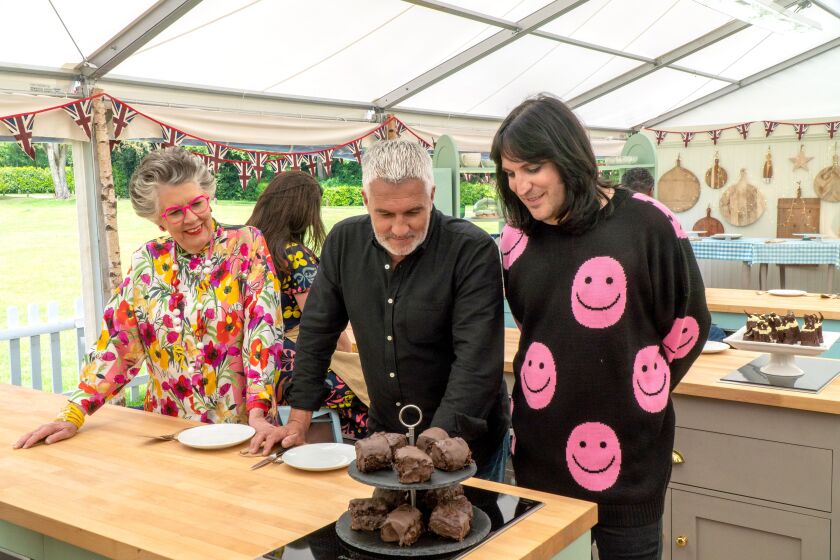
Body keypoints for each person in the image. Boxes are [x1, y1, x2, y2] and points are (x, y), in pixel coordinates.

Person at [493, 95, 709, 560]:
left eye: (532, 168)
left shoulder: (649, 223)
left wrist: (638, 393)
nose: (521, 186)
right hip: (539, 456)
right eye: (510, 173)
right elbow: (537, 327)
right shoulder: (514, 237)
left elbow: (688, 326)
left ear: (568, 156)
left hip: (630, 464)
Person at [265, 139, 510, 482]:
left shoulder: (470, 249)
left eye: (413, 212)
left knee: (472, 516)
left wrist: (436, 441)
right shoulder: (345, 242)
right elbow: (317, 332)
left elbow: (476, 360)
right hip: (386, 432)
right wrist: (298, 419)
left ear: (432, 195)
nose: (399, 229)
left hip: (463, 442)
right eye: (385, 215)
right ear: (366, 200)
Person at [15, 147, 284, 450]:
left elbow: (263, 330)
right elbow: (118, 344)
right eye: (175, 212)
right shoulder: (148, 260)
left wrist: (258, 412)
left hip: (245, 430)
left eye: (197, 203)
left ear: (208, 197)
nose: (191, 218)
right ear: (159, 221)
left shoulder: (247, 244)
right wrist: (73, 413)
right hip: (169, 431)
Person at [245, 171, 368, 440]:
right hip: (294, 362)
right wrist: (347, 352)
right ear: (303, 211)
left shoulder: (249, 248)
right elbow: (321, 320)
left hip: (259, 364)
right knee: (370, 389)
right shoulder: (295, 254)